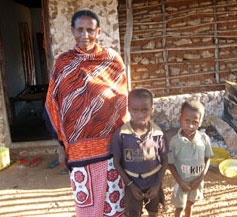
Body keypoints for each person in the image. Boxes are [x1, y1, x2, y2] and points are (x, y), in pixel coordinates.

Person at [45, 9, 127, 217]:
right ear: (72, 31)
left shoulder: (112, 60)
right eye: (79, 30)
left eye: (90, 30)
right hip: (79, 151)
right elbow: (53, 106)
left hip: (112, 148)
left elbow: (124, 100)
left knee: (115, 206)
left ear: (98, 31)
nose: (85, 35)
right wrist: (60, 147)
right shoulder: (63, 63)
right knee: (86, 209)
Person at [109, 88, 168, 217]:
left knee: (154, 211)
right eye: (135, 110)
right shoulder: (121, 135)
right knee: (133, 213)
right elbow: (116, 162)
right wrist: (130, 185)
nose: (140, 115)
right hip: (132, 184)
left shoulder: (158, 134)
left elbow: (164, 160)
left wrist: (157, 184)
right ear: (129, 109)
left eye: (145, 110)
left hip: (153, 182)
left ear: (152, 109)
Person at [168, 101, 214, 217]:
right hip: (181, 183)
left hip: (196, 182)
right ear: (180, 119)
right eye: (187, 121)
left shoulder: (204, 139)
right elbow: (171, 164)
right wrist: (180, 182)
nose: (190, 126)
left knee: (190, 204)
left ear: (200, 122)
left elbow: (207, 159)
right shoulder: (175, 141)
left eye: (195, 122)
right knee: (180, 207)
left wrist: (201, 178)